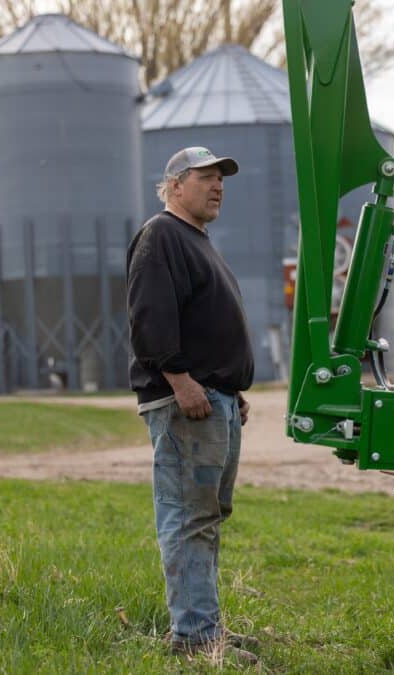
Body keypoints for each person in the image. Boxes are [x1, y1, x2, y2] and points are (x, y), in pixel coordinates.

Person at [126, 146, 257, 661]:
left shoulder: (198, 241)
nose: (218, 185)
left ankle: (206, 626)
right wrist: (181, 380)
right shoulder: (161, 236)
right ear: (175, 185)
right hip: (187, 404)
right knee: (188, 516)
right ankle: (195, 639)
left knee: (207, 514)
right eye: (206, 177)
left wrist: (231, 388)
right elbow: (149, 318)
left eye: (221, 177)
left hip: (213, 399)